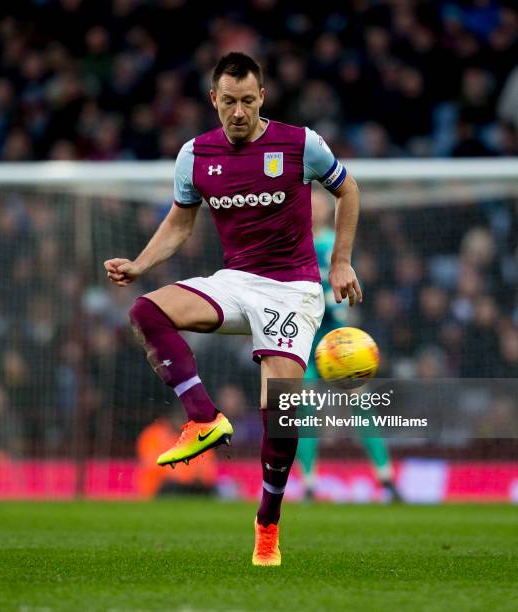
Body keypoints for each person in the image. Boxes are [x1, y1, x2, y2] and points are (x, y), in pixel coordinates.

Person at [104, 52, 362, 566]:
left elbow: (348, 189)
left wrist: (341, 263)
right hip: (237, 280)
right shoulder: (194, 156)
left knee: (280, 413)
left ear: (262, 97)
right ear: (213, 100)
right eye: (228, 102)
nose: (238, 112)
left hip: (293, 291)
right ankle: (203, 418)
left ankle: (267, 524)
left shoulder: (300, 143)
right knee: (146, 312)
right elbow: (180, 224)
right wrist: (140, 263)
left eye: (247, 101)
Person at [296, 189, 401, 502]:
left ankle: (386, 478)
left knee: (362, 403)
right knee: (302, 408)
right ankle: (309, 483)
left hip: (337, 339)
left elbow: (351, 290)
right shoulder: (292, 243)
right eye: (308, 203)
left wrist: (339, 305)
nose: (312, 209)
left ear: (329, 210)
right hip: (303, 338)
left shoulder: (335, 244)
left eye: (318, 204)